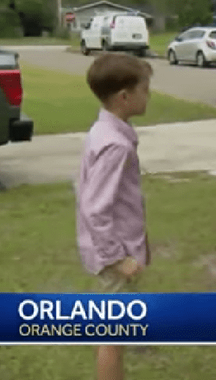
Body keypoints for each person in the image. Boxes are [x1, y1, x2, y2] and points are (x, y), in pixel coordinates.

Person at [76, 53, 153, 380]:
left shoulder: (104, 130)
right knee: (113, 337)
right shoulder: (115, 145)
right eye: (145, 89)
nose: (149, 95)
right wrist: (118, 257)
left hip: (110, 250)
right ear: (125, 97)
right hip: (114, 255)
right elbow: (95, 207)